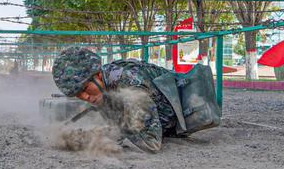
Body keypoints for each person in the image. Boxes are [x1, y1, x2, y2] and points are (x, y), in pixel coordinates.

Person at [52, 47, 220, 153]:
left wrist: (93, 138)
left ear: (97, 76)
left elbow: (151, 142)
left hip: (170, 122)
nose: (85, 98)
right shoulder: (106, 81)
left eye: (85, 90)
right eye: (78, 95)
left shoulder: (130, 85)